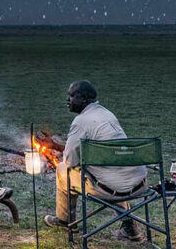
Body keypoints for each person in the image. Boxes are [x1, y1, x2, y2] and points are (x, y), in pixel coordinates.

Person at [46, 79, 148, 237]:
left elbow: (70, 161)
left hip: (110, 189)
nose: (68, 100)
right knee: (111, 174)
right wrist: (57, 147)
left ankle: (66, 222)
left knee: (62, 171)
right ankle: (129, 226)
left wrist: (61, 157)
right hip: (138, 185)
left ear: (84, 99)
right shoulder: (107, 114)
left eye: (71, 96)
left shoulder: (81, 121)